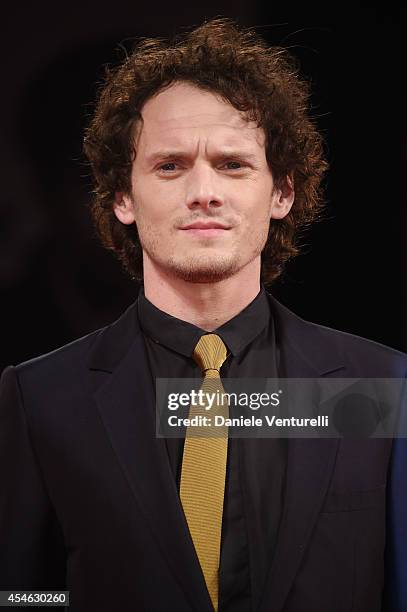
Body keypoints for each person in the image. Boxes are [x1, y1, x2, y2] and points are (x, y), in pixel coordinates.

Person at [0, 18, 405, 612]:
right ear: (123, 198)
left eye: (233, 164)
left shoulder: (382, 385)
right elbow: (19, 594)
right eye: (169, 166)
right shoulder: (40, 398)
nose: (203, 191)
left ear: (282, 193)